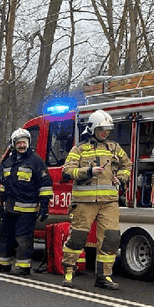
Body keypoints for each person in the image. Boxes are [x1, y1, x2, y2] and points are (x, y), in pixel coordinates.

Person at [60, 109, 132, 289]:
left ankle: (104, 276)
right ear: (92, 129)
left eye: (107, 129)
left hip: (109, 202)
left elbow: (127, 165)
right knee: (77, 238)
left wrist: (121, 178)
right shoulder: (79, 149)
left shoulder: (114, 148)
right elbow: (67, 171)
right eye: (102, 129)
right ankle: (69, 271)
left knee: (111, 238)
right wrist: (89, 172)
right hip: (84, 202)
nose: (105, 133)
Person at [0, 128, 53, 276]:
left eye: (24, 142)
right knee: (5, 236)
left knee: (23, 238)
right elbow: (3, 185)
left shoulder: (36, 161)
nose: (22, 145)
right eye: (19, 143)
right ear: (14, 144)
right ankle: (3, 263)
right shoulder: (9, 162)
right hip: (9, 207)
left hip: (27, 209)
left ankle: (23, 266)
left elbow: (45, 185)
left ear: (29, 143)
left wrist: (44, 206)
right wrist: (1, 204)